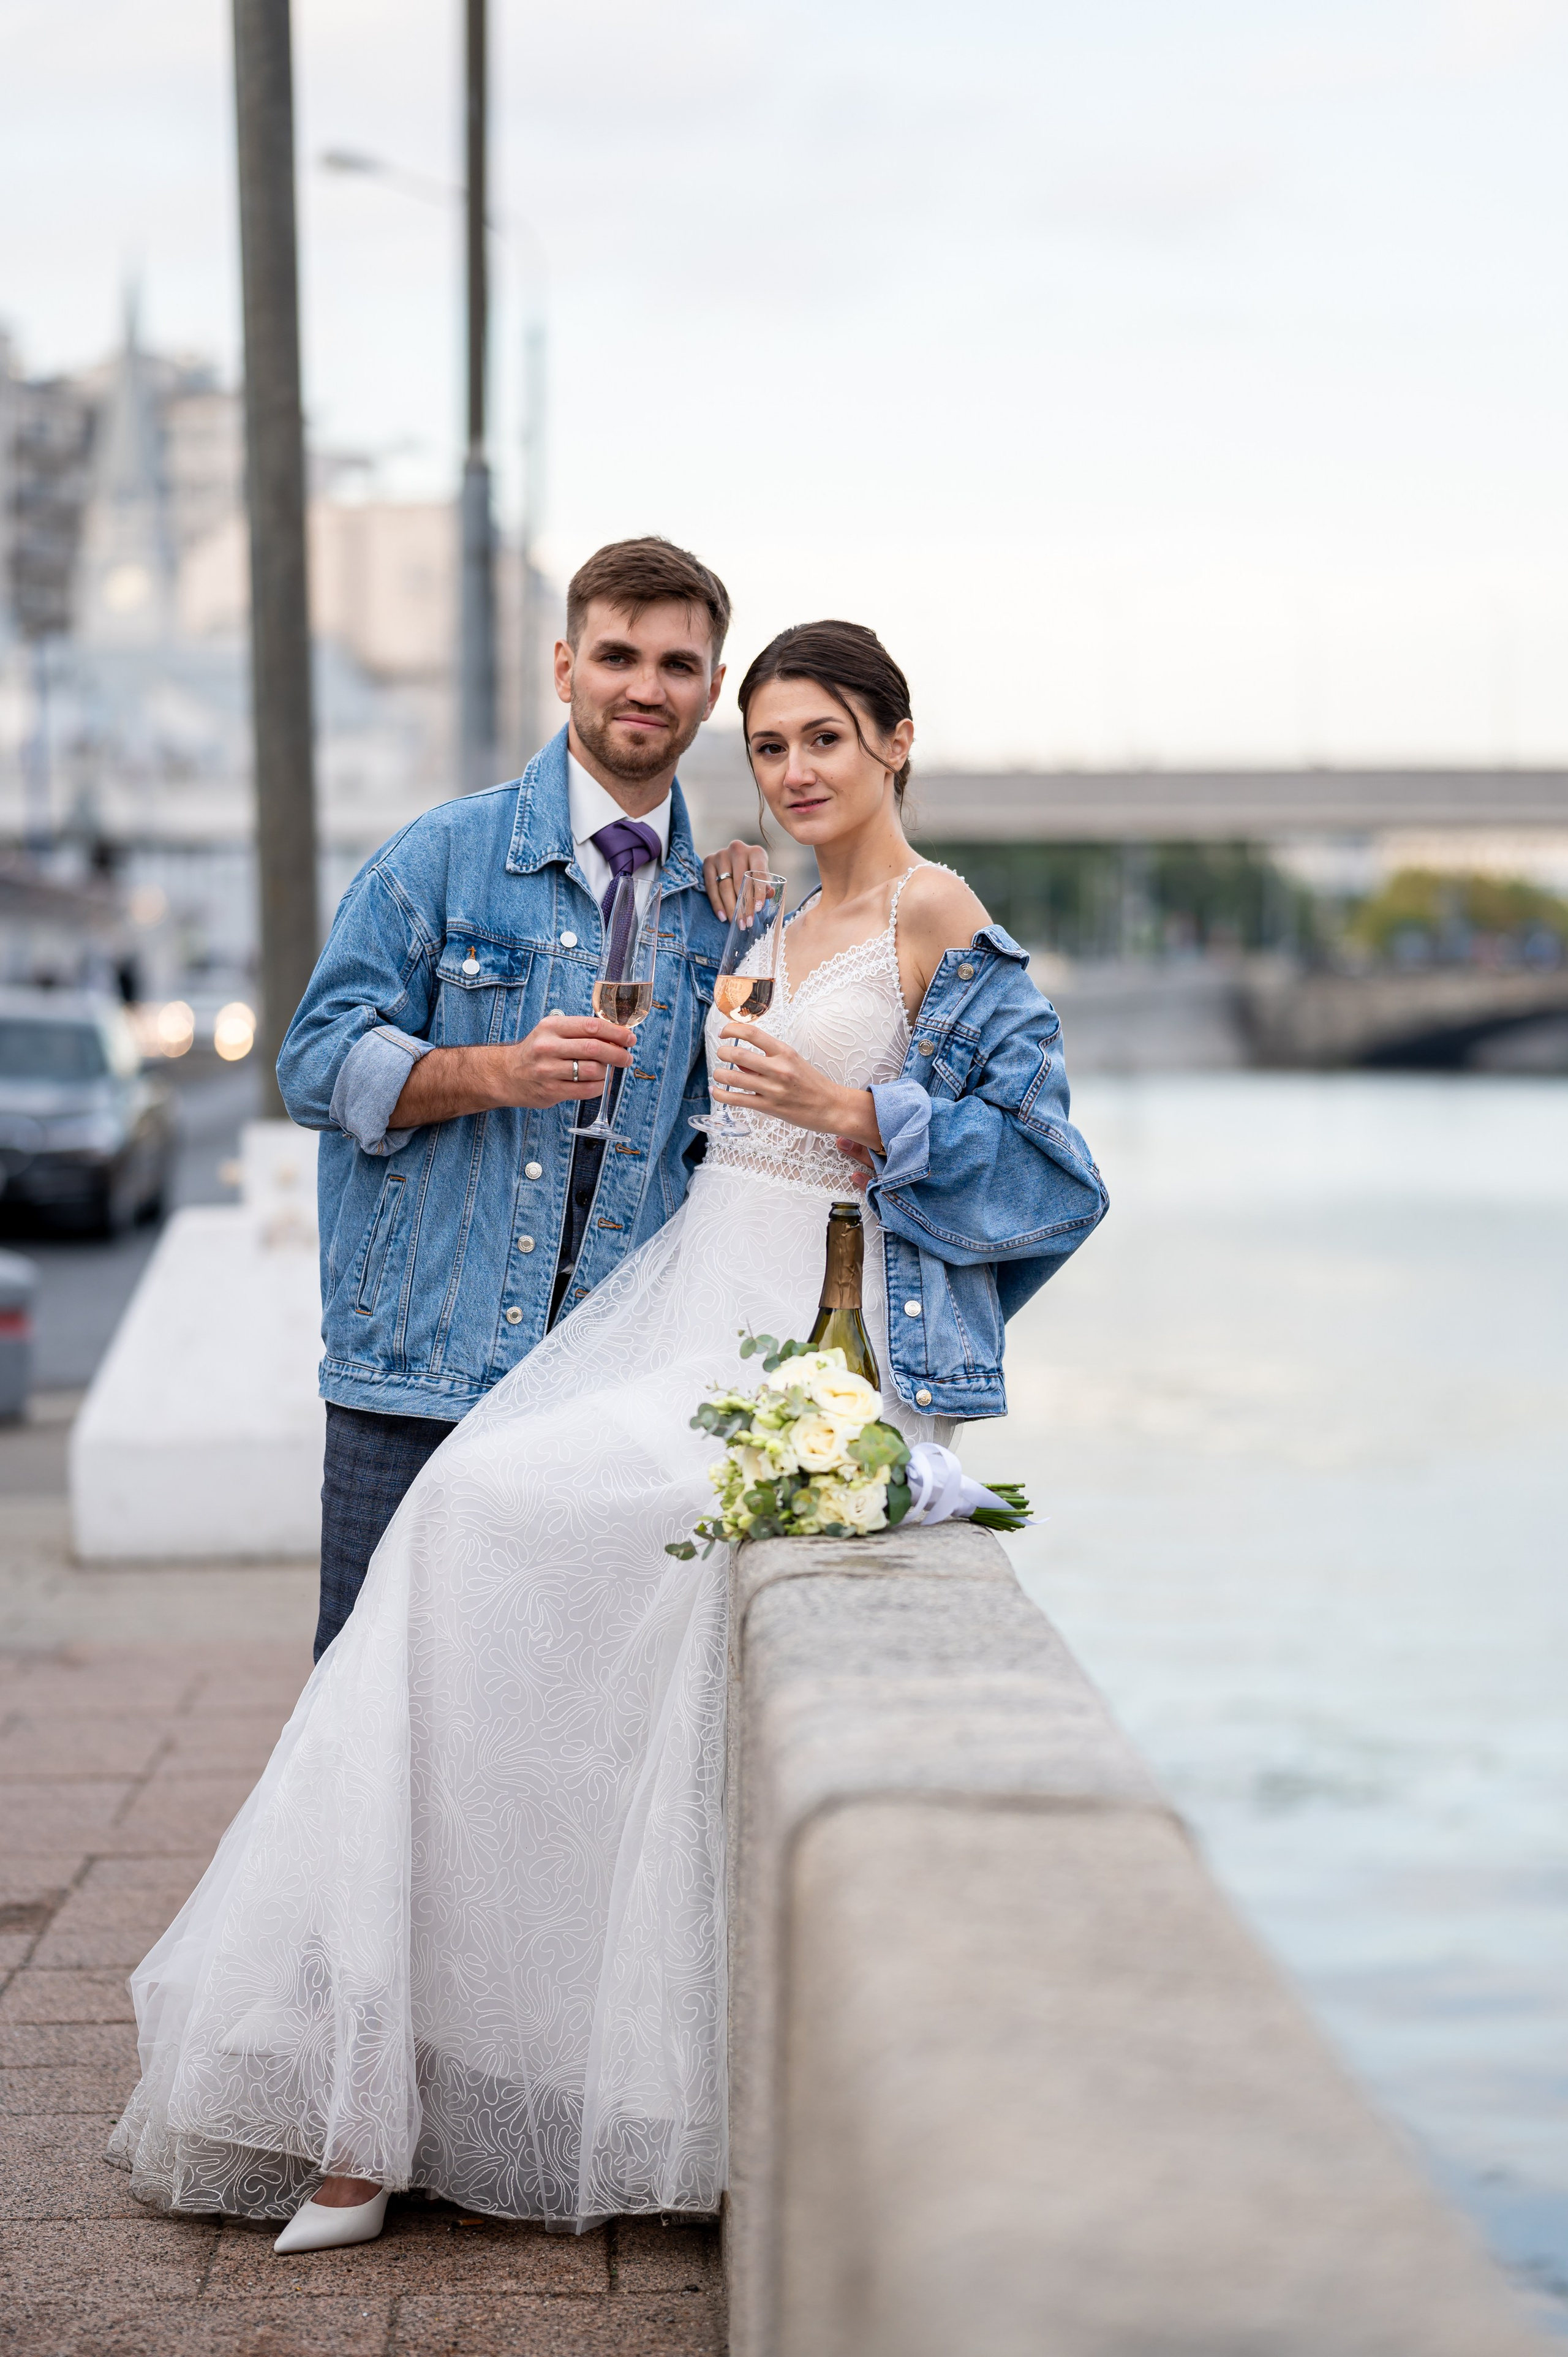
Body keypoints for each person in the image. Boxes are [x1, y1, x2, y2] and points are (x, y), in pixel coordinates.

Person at [106, 618, 1108, 2252]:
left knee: (512, 1536)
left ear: (898, 744)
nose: (792, 775)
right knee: (456, 1553)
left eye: (825, 744)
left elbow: (1056, 1176)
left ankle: (515, 2106)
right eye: (773, 746)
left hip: (799, 1338)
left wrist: (864, 1116)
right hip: (671, 1305)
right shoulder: (760, 909)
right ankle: (383, 2099)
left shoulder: (942, 920)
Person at [270, 535, 767, 1662]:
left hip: (611, 1385)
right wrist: (497, 1069)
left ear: (711, 692)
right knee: (366, 1704)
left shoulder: (723, 910)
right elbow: (311, 1064)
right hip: (418, 1375)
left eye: (678, 665)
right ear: (565, 668)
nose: (646, 687)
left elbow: (724, 1145)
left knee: (550, 1717)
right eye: (617, 656)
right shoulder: (442, 857)